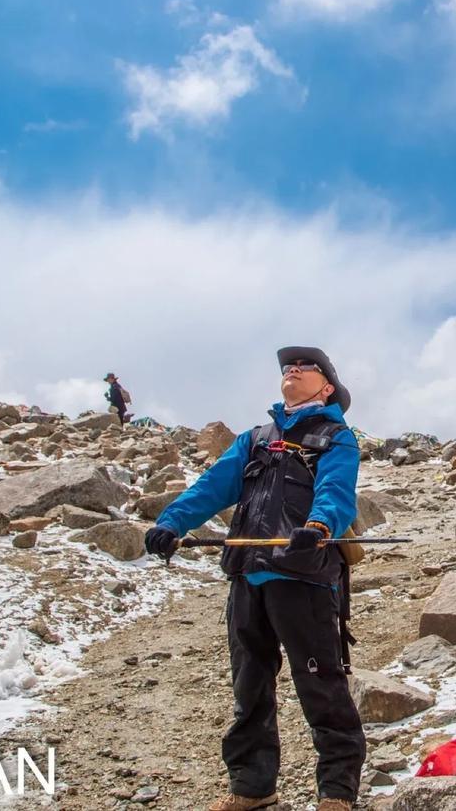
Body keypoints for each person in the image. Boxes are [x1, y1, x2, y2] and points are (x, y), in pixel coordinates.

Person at [144, 347, 364, 811]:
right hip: (248, 575)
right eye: (288, 366)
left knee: (321, 684)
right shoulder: (255, 438)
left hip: (304, 575)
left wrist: (320, 527)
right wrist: (172, 522)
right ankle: (252, 788)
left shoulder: (336, 436)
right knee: (248, 685)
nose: (292, 370)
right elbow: (213, 485)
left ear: (327, 387)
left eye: (305, 367)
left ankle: (337, 793)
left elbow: (337, 490)